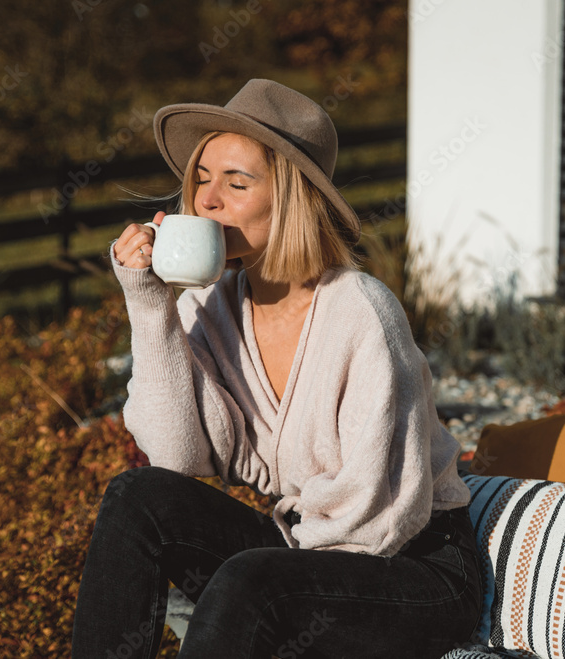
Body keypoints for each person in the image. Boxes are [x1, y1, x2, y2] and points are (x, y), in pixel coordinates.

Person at [71, 79, 482, 659]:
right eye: (202, 178)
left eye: (236, 183)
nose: (207, 200)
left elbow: (382, 517)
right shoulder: (208, 306)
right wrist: (148, 302)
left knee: (249, 580)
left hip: (414, 570)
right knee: (139, 496)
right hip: (305, 551)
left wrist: (276, 556)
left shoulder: (362, 311)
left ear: (289, 198)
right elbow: (176, 455)